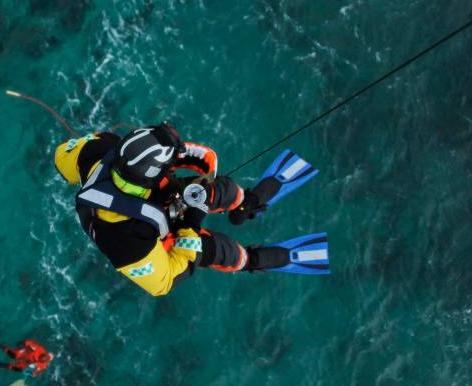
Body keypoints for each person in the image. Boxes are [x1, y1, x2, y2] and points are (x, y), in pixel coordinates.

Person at [52, 123, 302, 296]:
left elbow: (61, 157)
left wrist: (196, 161)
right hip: (152, 237)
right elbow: (164, 281)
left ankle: (244, 204)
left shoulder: (100, 149)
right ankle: (249, 260)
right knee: (214, 250)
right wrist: (190, 226)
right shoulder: (122, 240)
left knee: (218, 189)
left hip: (152, 199)